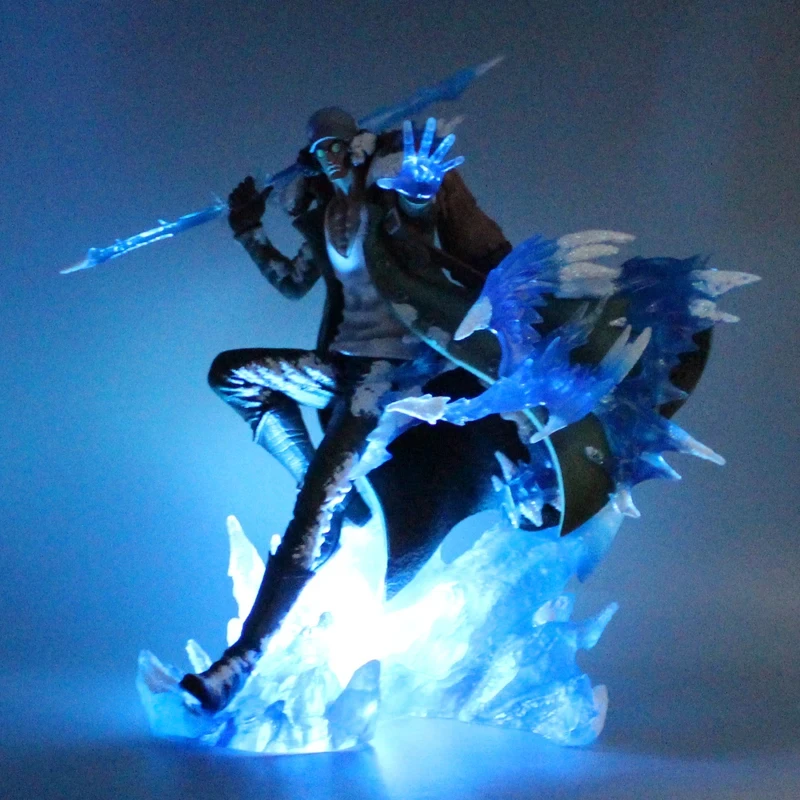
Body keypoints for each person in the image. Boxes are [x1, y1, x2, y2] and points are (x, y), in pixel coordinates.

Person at [179, 109, 528, 712]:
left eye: (337, 146)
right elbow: (293, 281)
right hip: (340, 366)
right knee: (232, 375)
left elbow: (417, 221)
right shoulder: (327, 216)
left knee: (315, 506)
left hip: (391, 370)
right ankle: (324, 488)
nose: (329, 157)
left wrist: (420, 192)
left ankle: (242, 660)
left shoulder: (390, 201)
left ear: (360, 146)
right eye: (318, 150)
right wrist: (249, 230)